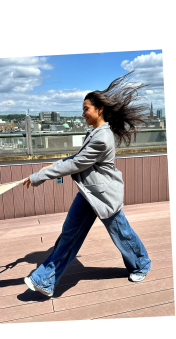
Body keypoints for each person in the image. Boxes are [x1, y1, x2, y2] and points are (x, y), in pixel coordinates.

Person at [23, 70, 152, 297]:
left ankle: (141, 264)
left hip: (103, 196)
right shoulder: (94, 132)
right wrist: (50, 167)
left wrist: (40, 177)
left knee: (122, 234)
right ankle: (45, 280)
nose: (83, 113)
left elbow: (77, 164)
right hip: (88, 193)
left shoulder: (102, 137)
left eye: (86, 109)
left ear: (99, 109)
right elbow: (76, 160)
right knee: (68, 236)